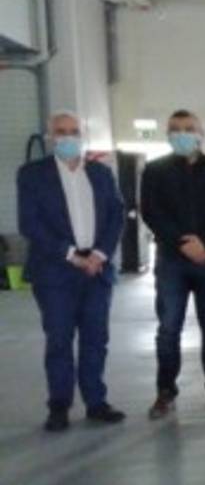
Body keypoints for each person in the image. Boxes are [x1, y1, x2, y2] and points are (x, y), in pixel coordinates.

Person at [17, 112, 127, 432]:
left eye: (74, 132)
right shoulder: (32, 175)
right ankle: (59, 405)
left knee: (96, 338)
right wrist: (71, 255)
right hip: (55, 272)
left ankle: (96, 401)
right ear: (50, 138)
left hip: (97, 269)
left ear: (83, 136)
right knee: (60, 339)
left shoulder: (101, 174)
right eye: (61, 132)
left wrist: (100, 254)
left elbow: (116, 216)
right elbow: (30, 223)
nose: (68, 137)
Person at [140, 109, 205, 418]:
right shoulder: (155, 170)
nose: (182, 133)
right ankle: (165, 390)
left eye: (189, 128)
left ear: (201, 134)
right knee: (169, 327)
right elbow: (151, 212)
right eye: (176, 129)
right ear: (168, 134)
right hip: (172, 261)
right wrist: (183, 244)